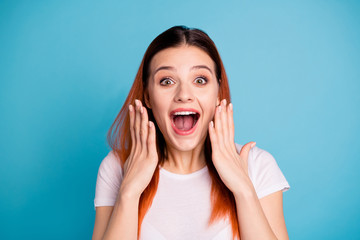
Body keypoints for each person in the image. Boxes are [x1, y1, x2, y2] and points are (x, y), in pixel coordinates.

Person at [92, 25, 290, 240]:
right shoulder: (118, 166)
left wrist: (243, 189)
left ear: (217, 92)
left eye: (200, 80)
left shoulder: (256, 165)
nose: (184, 94)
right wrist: (128, 192)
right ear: (147, 96)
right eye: (167, 81)